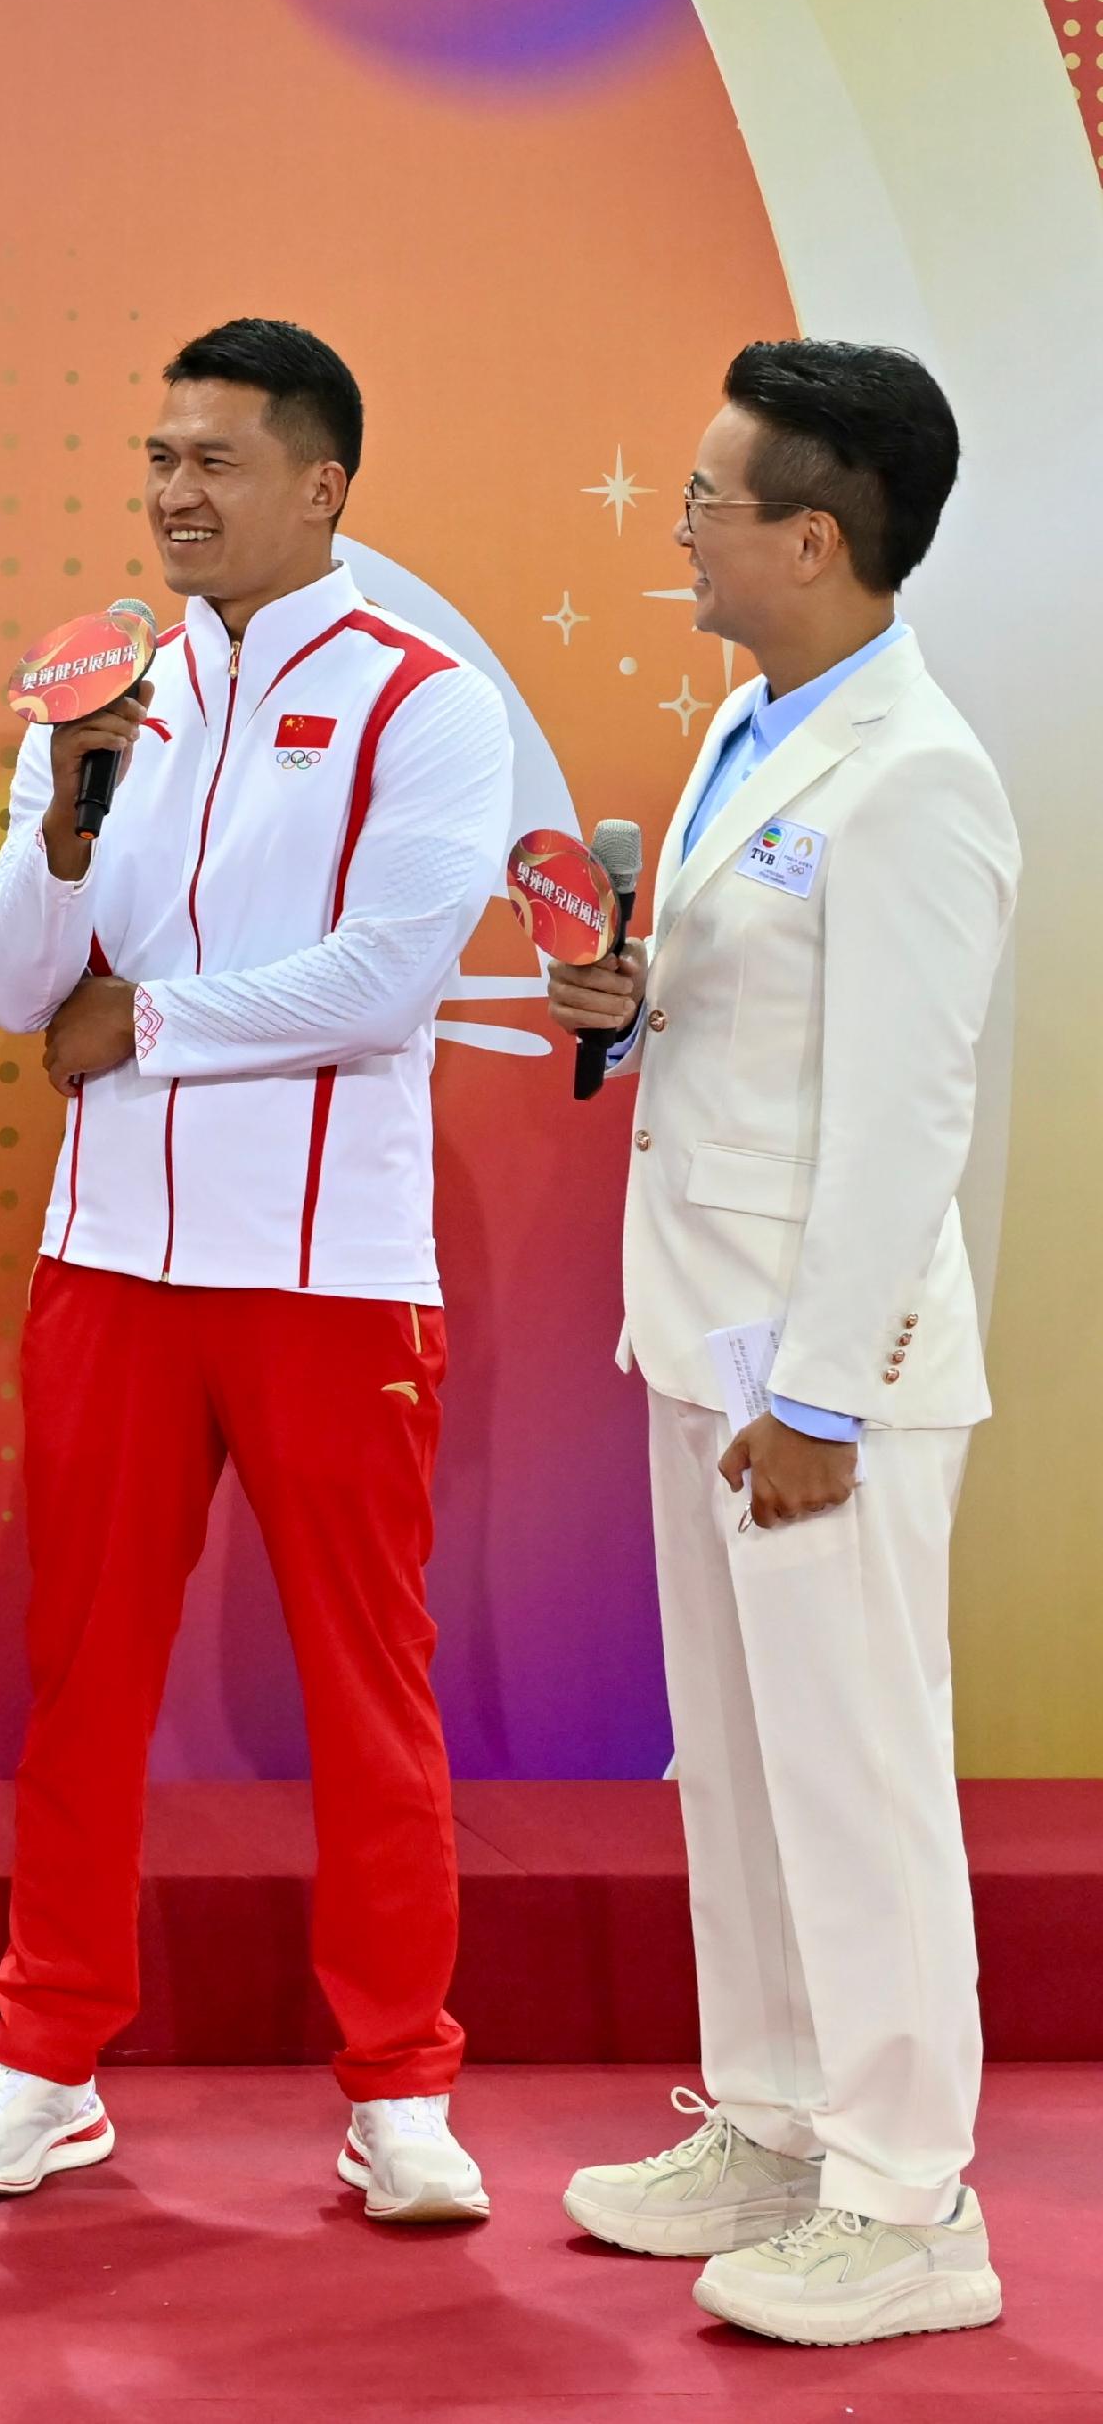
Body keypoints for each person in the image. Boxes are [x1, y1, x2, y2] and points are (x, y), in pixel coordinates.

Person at [0, 317, 511, 2220]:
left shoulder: (425, 696)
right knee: (85, 1669)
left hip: (333, 1270)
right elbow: (16, 983)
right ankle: (45, 2051)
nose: (177, 493)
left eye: (220, 461)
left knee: (368, 1682)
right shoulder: (102, 692)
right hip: (108, 1260)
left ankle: (402, 2084)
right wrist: (78, 799)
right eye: (160, 458)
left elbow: (390, 979)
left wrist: (150, 1024)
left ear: (324, 484)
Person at [542, 342, 1016, 2347]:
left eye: (706, 498)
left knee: (852, 1771)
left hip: (819, 1376)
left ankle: (909, 2198)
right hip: (700, 1334)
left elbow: (908, 1111)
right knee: (729, 1768)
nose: (677, 528)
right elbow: (756, 1032)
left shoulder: (916, 774)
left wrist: (817, 1395)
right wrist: (622, 992)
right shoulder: (749, 720)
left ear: (811, 535)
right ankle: (767, 2116)